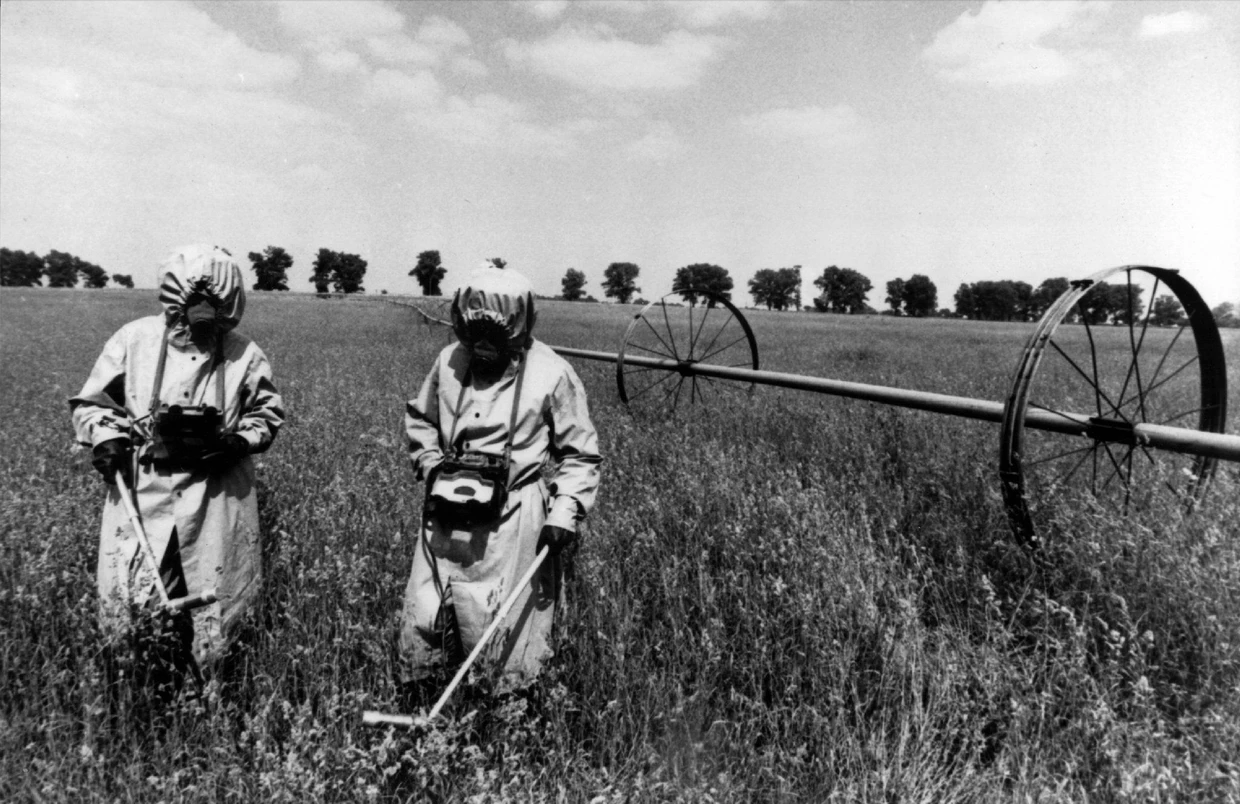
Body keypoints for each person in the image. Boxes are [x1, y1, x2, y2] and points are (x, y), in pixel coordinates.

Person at [70, 244, 284, 683]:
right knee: (130, 596)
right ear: (174, 298)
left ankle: (213, 689)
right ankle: (135, 687)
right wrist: (106, 439)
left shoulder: (245, 353)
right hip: (144, 488)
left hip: (216, 494)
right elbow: (92, 404)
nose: (201, 316)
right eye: (192, 304)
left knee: (217, 601)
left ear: (230, 304)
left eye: (213, 306)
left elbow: (267, 414)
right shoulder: (135, 340)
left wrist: (237, 442)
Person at [400, 265, 601, 701]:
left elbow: (580, 454)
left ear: (518, 327)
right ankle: (427, 695)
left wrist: (564, 513)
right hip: (445, 510)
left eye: (496, 335)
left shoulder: (552, 372)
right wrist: (432, 463)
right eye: (475, 334)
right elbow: (421, 419)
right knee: (429, 611)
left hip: (513, 519)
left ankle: (502, 707)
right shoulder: (449, 360)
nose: (483, 346)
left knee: (500, 622)